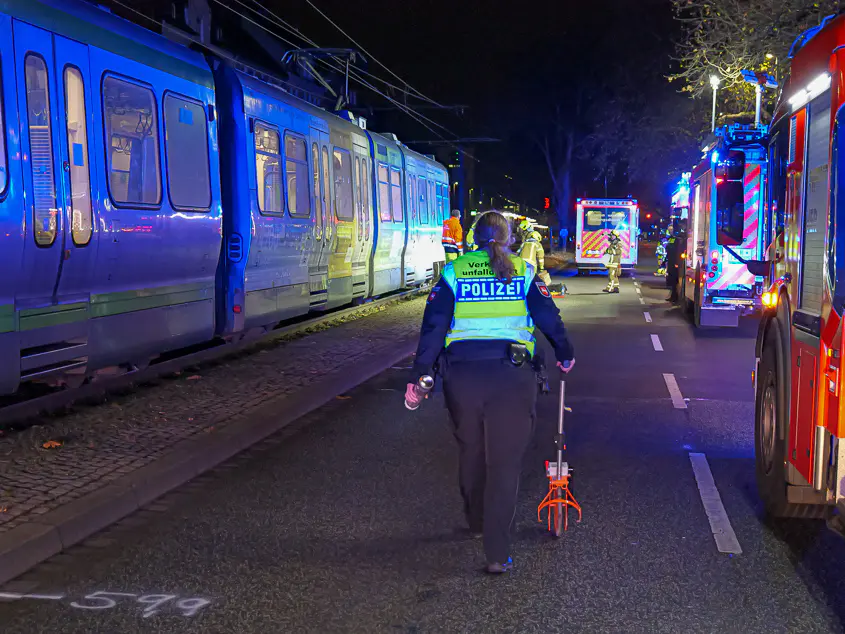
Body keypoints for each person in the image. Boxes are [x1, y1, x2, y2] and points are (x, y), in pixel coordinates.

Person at [405, 210, 575, 574]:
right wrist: (564, 353)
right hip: (512, 376)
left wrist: (419, 374)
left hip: (462, 376)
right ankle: (497, 553)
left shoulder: (454, 272)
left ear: (474, 238)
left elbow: (433, 327)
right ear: (509, 238)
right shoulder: (524, 271)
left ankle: (476, 521)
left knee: (471, 450)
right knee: (504, 462)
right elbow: (548, 318)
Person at [518, 220, 551, 285]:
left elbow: (517, 253)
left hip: (521, 263)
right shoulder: (537, 244)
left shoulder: (524, 243)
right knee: (529, 282)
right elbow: (540, 258)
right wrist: (541, 268)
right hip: (531, 264)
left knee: (522, 280)